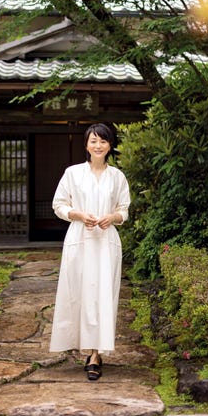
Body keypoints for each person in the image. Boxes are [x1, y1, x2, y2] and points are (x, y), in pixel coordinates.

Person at [49, 122, 130, 381]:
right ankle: (84, 346)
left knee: (104, 296)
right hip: (80, 239)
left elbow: (124, 210)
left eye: (103, 141)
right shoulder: (72, 173)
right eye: (93, 141)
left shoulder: (117, 176)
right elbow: (59, 205)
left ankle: (96, 354)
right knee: (80, 293)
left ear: (110, 145)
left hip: (106, 242)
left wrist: (112, 217)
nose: (98, 145)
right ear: (86, 145)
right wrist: (79, 214)